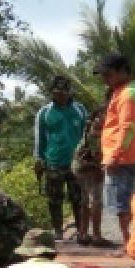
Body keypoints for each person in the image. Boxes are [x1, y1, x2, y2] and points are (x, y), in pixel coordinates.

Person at [95, 52, 135, 244]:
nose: (104, 79)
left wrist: (114, 156)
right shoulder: (125, 90)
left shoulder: (128, 94)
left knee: (122, 204)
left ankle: (129, 243)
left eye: (108, 74)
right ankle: (129, 242)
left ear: (122, 71)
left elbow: (127, 128)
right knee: (121, 203)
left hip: (123, 159)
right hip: (124, 157)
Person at [34, 75, 89, 239]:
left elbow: (87, 134)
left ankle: (81, 230)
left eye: (65, 92)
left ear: (70, 92)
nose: (61, 96)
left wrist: (89, 157)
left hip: (77, 162)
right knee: (54, 198)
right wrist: (38, 159)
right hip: (53, 162)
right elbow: (39, 138)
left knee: (78, 198)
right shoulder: (44, 112)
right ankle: (58, 231)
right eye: (58, 92)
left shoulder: (80, 110)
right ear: (52, 92)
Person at [72, 107, 107, 246]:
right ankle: (96, 236)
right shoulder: (96, 133)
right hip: (88, 168)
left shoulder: (90, 131)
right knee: (95, 202)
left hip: (82, 168)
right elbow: (93, 155)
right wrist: (99, 170)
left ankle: (83, 234)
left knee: (85, 201)